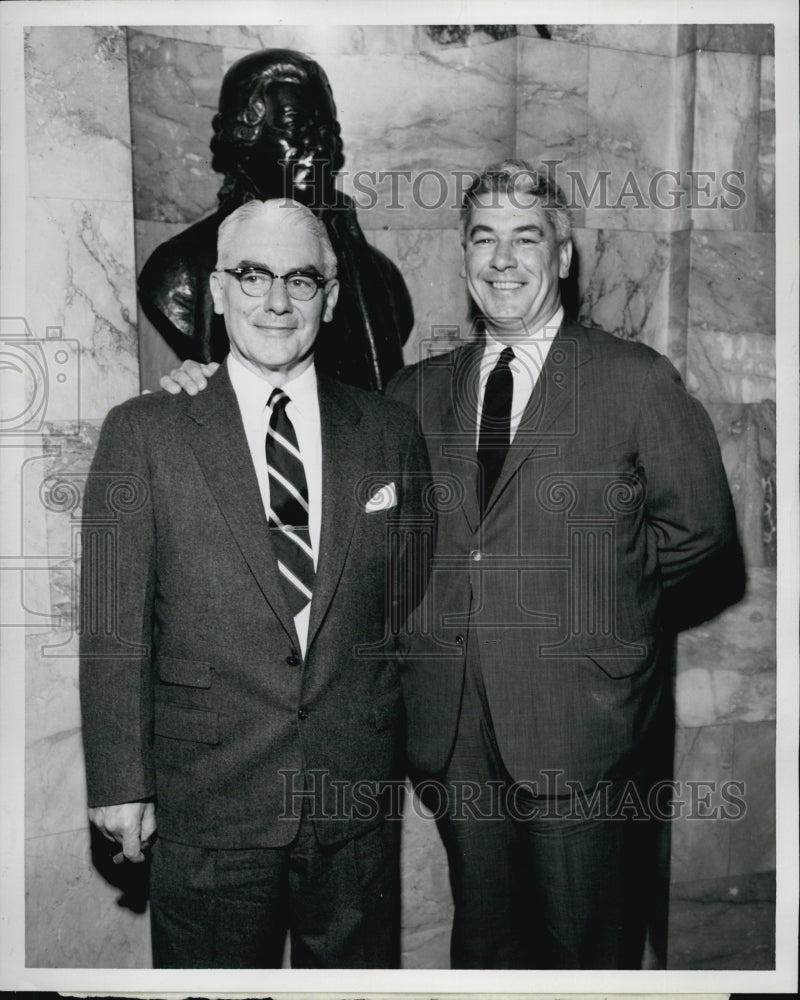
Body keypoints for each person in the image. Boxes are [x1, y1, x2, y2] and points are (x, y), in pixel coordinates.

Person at [160, 159, 744, 970]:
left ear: (563, 257)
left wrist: (600, 629)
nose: (503, 259)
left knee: (585, 953)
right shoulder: (415, 394)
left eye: (526, 237)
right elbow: (334, 491)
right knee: (484, 947)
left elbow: (703, 541)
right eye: (483, 238)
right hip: (454, 730)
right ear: (464, 256)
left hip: (581, 729)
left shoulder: (633, 381)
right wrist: (210, 395)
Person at [79, 198, 431, 968]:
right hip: (207, 796)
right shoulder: (144, 432)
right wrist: (118, 783)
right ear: (216, 288)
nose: (276, 301)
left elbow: (412, 606)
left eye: (301, 279)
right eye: (251, 275)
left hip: (353, 802)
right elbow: (113, 626)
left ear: (331, 298)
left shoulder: (388, 432)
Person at [138, 48, 413, 391]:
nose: (314, 146)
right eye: (293, 127)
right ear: (244, 137)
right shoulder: (177, 270)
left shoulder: (382, 277)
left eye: (322, 129)